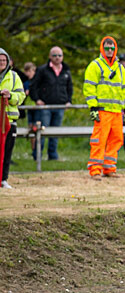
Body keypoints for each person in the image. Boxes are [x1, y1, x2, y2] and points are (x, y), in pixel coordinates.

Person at [83, 36, 125, 180]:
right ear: (102, 49)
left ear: (115, 49)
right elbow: (89, 88)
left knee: (116, 140)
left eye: (112, 48)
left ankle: (109, 168)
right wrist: (93, 108)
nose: (109, 50)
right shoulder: (95, 65)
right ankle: (95, 170)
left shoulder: (120, 68)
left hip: (116, 112)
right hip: (102, 110)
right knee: (99, 141)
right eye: (107, 48)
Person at [29, 46, 72, 161]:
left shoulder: (66, 70)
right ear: (50, 56)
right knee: (42, 132)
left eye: (59, 55)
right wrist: (37, 99)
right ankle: (37, 155)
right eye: (54, 55)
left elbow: (69, 87)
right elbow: (33, 86)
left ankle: (52, 156)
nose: (57, 58)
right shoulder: (42, 70)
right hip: (45, 106)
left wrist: (69, 101)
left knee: (55, 132)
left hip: (60, 106)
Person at [0, 48, 26, 189]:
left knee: (7, 151)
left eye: (4, 60)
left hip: (9, 120)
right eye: (0, 60)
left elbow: (21, 96)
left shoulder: (14, 76)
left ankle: (4, 179)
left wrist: (10, 96)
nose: (2, 62)